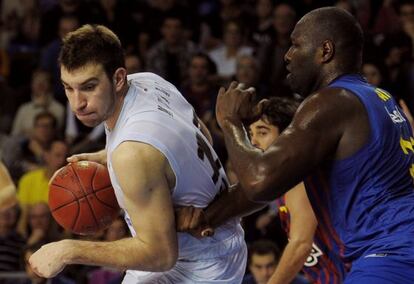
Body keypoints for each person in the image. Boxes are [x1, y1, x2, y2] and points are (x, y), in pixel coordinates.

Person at [181, 7, 414, 283]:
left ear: (325, 51)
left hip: (390, 253)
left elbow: (259, 181)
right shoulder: (377, 97)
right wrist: (205, 218)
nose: (287, 55)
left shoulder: (332, 101)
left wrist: (230, 122)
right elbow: (268, 185)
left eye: (296, 44)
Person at [29, 24, 246, 283]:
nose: (78, 103)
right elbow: (202, 137)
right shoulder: (150, 82)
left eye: (88, 86)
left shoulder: (131, 153)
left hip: (198, 267)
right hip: (221, 242)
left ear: (118, 78)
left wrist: (69, 250)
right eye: (68, 88)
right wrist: (112, 156)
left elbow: (161, 255)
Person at [248, 97, 346, 283]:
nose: (253, 141)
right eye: (250, 133)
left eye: (262, 132)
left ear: (287, 137)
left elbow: (301, 245)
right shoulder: (283, 180)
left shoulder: (301, 177)